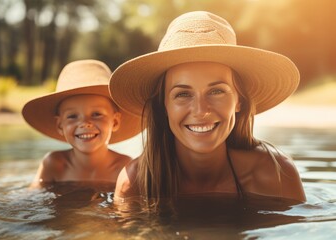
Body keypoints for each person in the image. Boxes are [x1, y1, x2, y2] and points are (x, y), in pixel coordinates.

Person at [109, 11, 306, 207]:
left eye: (217, 91)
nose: (201, 110)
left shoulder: (276, 175)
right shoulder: (134, 183)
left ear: (239, 101)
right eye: (183, 94)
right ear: (163, 106)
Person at [22, 59, 142, 188]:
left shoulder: (125, 168)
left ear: (115, 121)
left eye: (96, 114)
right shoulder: (54, 164)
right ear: (60, 125)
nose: (85, 123)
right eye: (72, 116)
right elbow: (33, 195)